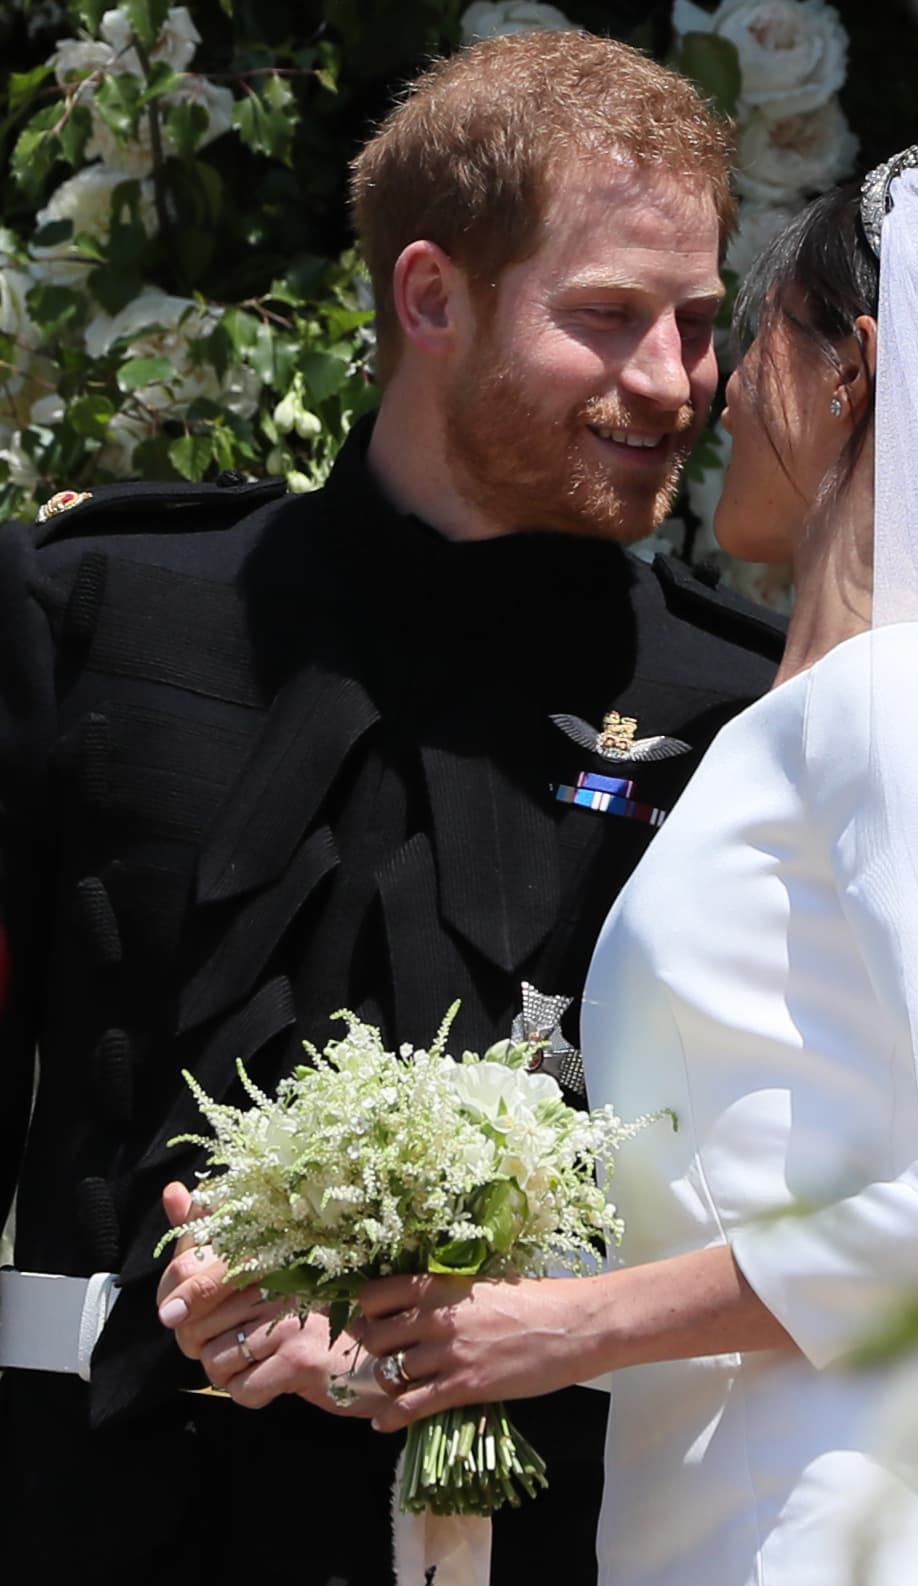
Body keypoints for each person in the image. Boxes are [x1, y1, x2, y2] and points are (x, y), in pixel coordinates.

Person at [322, 149, 918, 1584]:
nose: (704, 394)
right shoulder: (867, 713)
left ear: (853, 371)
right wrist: (403, 1295)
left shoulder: (911, 701)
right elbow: (760, 1225)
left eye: (747, 336)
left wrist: (570, 1324)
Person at [0, 32, 785, 1586]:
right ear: (430, 298)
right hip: (91, 1512)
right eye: (609, 318)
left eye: (699, 324)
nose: (674, 382)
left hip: (540, 1537)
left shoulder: (736, 705)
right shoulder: (98, 609)